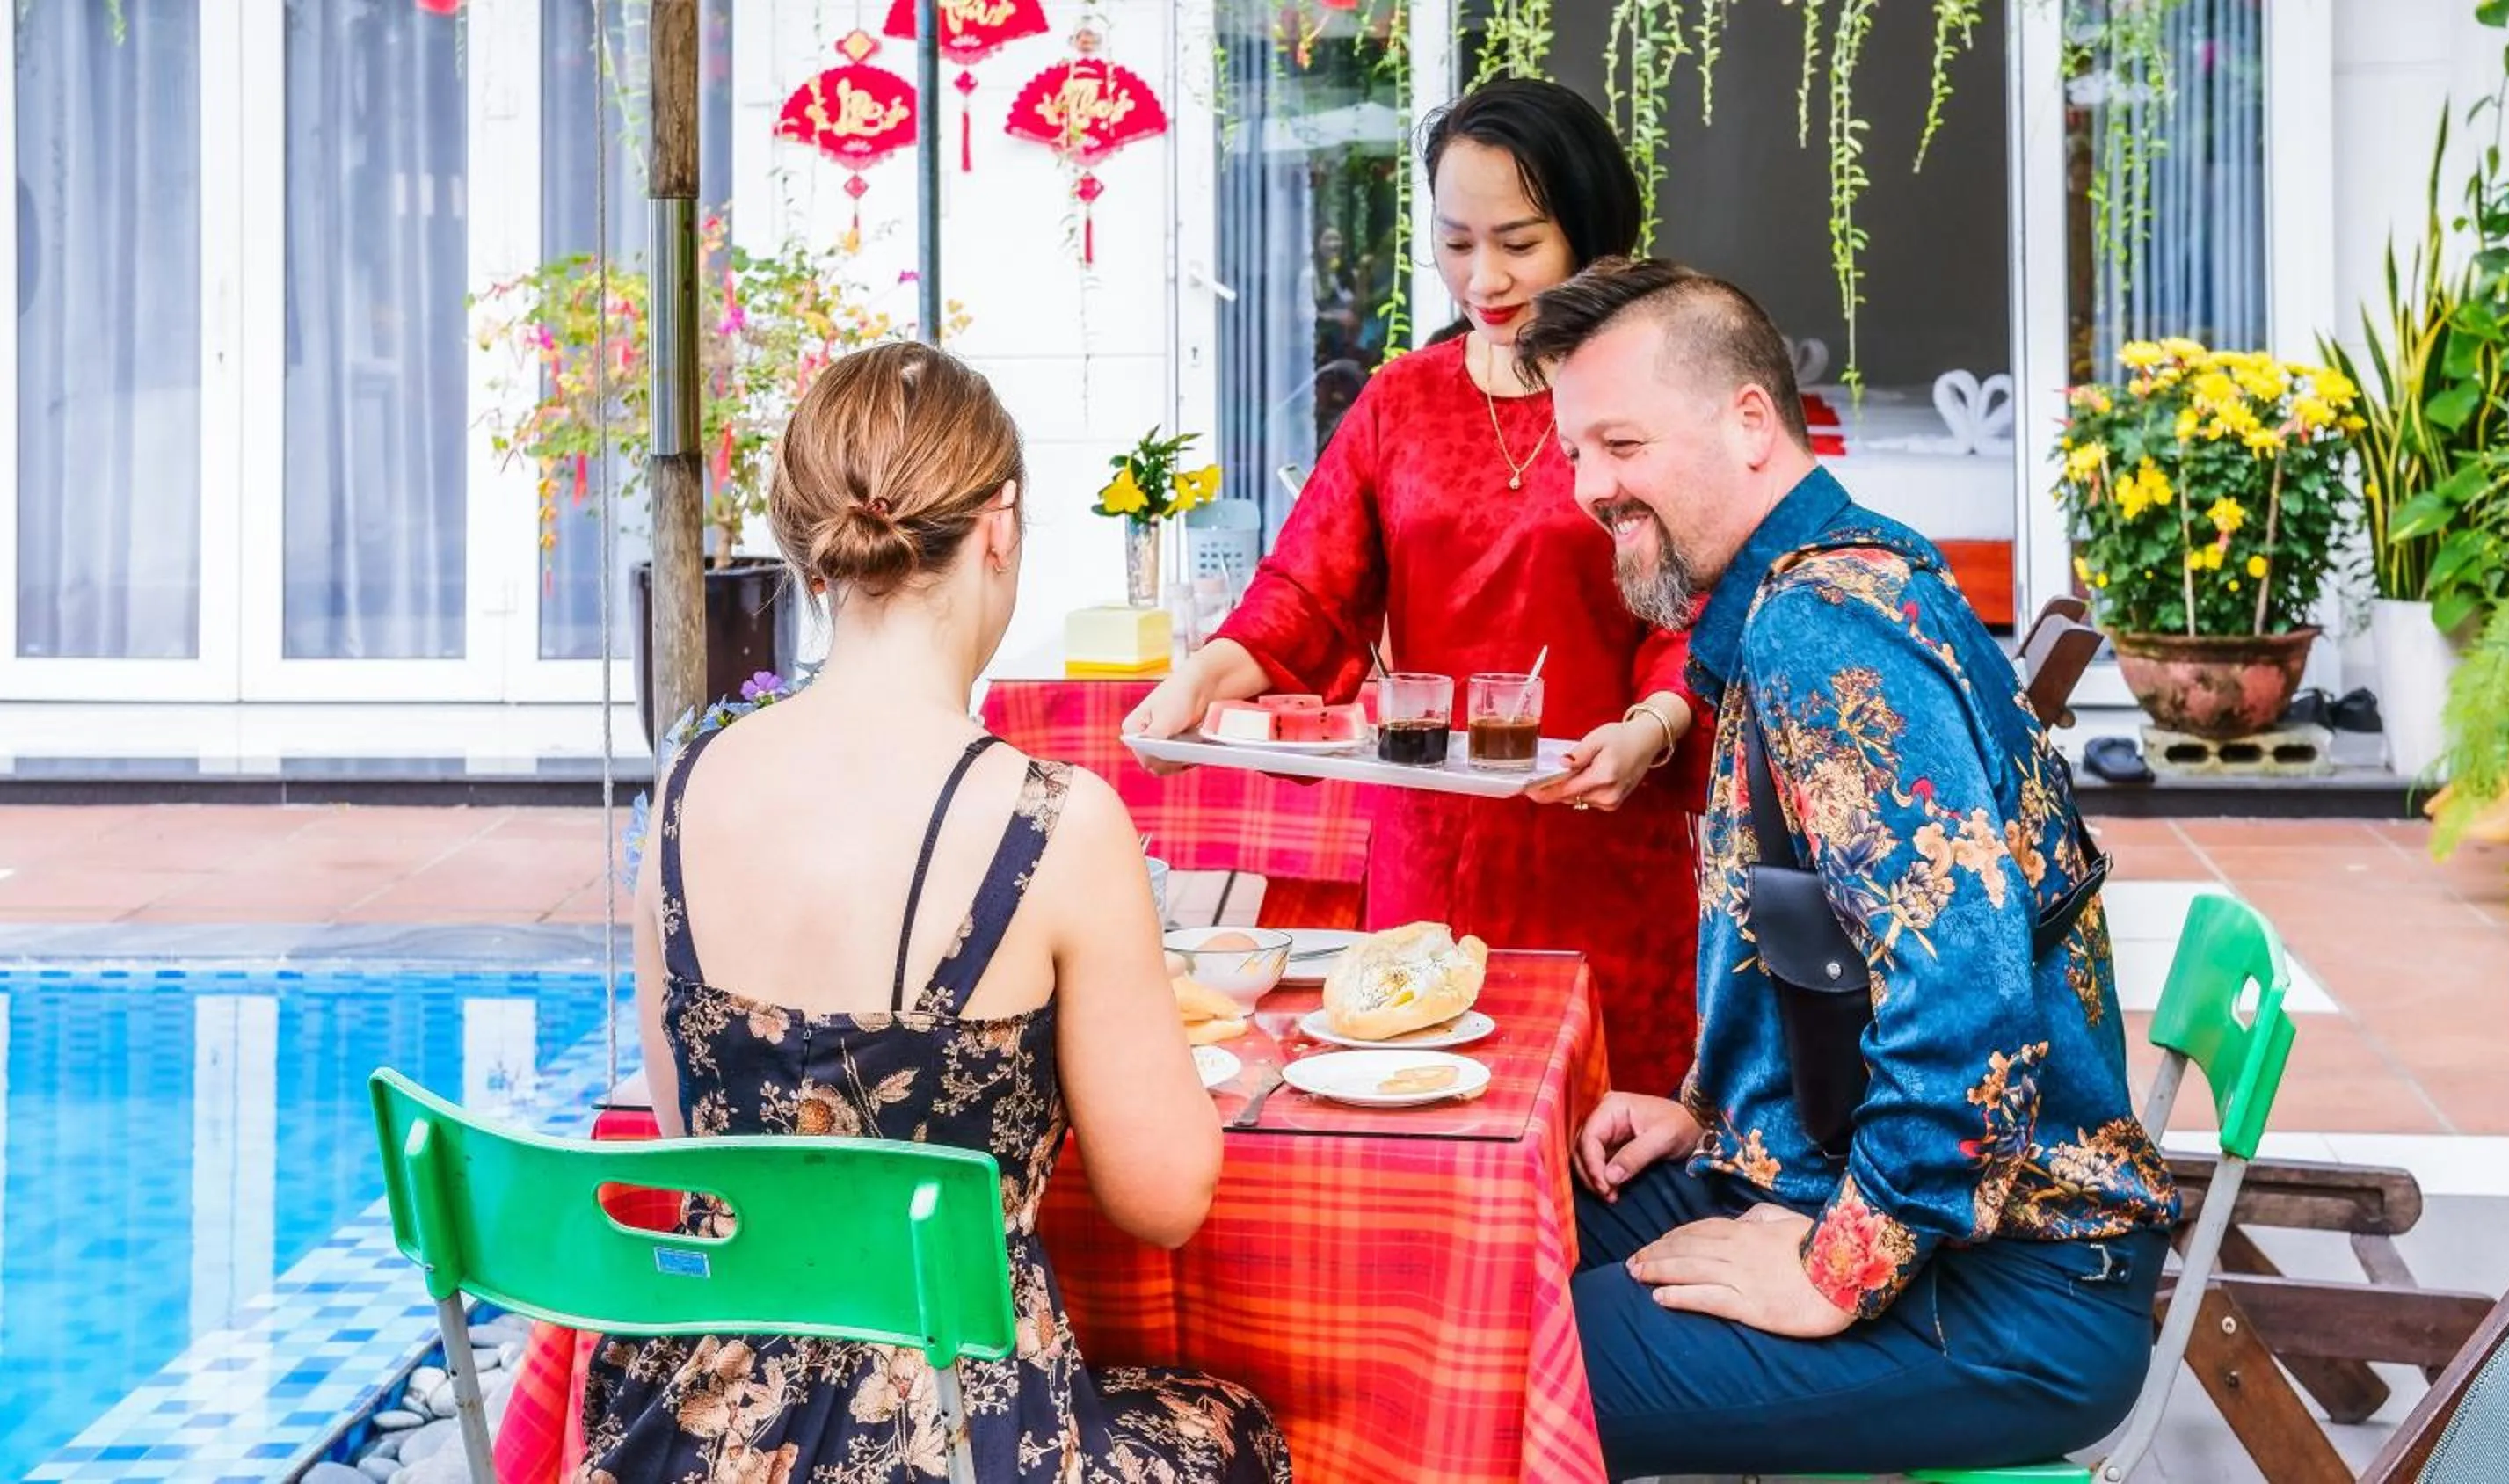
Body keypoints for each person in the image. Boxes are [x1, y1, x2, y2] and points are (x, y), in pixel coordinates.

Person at [1518, 258, 2178, 1479]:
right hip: (1883, 1197)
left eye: (1618, 444)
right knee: (1493, 1246)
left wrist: (1841, 1268)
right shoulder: (1829, 584)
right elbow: (1844, 948)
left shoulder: (1825, 628)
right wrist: (1718, 1113)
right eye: (1573, 453)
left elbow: (1967, 1005)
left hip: (2017, 1286)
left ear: (1750, 424)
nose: (1588, 488)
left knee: (1502, 1374)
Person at [588, 343, 1291, 1483]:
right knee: (1230, 1426)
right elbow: (1165, 1199)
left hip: (692, 1436)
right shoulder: (1055, 823)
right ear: (1000, 527)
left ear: (809, 547)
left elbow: (691, 1149)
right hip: (961, 1442)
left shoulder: (689, 782)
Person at [1124, 77, 1705, 1095]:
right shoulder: (1402, 401)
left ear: (1590, 230)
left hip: (1601, 832)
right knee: (1427, 1098)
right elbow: (1307, 589)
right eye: (1456, 241)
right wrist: (1204, 679)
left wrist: (1653, 726)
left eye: (1519, 243)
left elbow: (1692, 602)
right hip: (1429, 845)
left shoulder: (1644, 398)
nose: (1484, 276)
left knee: (1604, 1145)